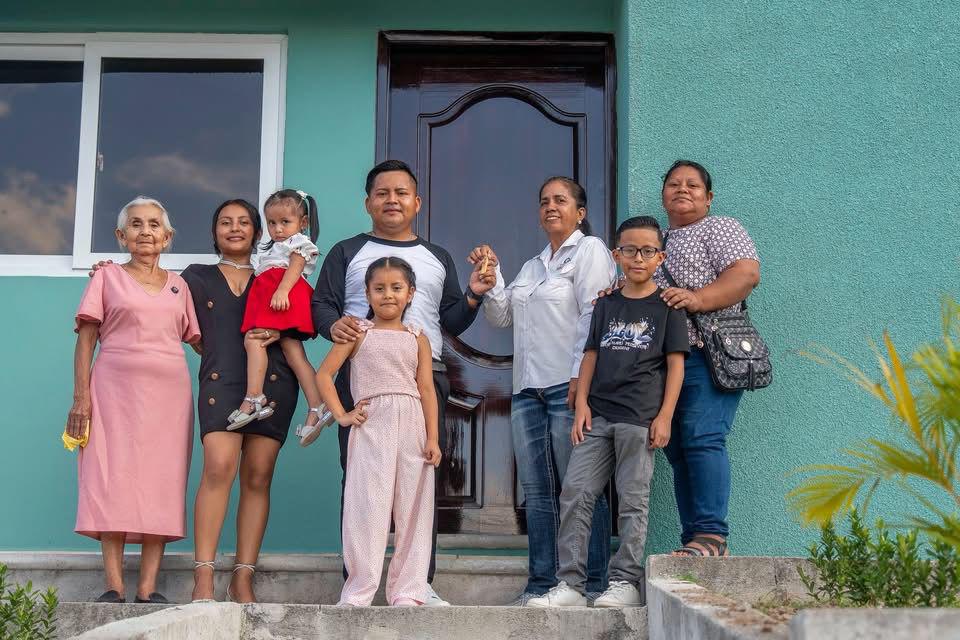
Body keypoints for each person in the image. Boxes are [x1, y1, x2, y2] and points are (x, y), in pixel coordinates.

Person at [311, 160, 495, 606]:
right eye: (382, 193)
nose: (392, 200)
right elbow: (322, 304)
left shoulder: (436, 257)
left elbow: (450, 319)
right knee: (360, 484)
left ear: (417, 202)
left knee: (418, 483)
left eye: (401, 193)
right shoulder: (346, 252)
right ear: (368, 202)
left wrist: (472, 294)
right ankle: (356, 582)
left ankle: (418, 584)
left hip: (423, 377)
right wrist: (333, 326)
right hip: (364, 379)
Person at [528, 216, 688, 609]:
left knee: (633, 501)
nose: (638, 257)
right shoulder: (606, 303)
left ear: (659, 257)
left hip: (641, 420)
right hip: (597, 417)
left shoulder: (667, 308)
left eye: (648, 250)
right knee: (576, 493)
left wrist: (665, 415)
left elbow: (676, 366)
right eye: (629, 249)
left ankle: (624, 582)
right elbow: (590, 355)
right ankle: (570, 585)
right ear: (617, 255)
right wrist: (582, 403)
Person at [467, 177, 613, 605]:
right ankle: (543, 584)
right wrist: (492, 278)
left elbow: (594, 316)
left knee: (580, 487)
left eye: (561, 200)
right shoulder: (533, 266)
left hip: (567, 387)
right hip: (526, 391)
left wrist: (578, 381)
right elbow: (501, 317)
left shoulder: (590, 252)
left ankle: (593, 583)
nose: (551, 206)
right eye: (544, 201)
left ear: (580, 212)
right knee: (537, 491)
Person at [67, 196, 200, 604]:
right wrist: (80, 399)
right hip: (112, 392)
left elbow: (201, 343)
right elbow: (86, 340)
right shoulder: (105, 278)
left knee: (163, 481)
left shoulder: (180, 285)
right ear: (120, 236)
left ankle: (147, 588)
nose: (146, 232)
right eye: (137, 225)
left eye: (154, 225)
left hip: (169, 398)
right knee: (110, 478)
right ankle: (114, 585)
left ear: (168, 236)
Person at [181, 199, 300, 603]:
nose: (235, 228)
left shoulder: (277, 272)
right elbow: (158, 300)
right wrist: (109, 271)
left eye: (244, 222)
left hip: (275, 380)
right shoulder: (195, 277)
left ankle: (243, 577)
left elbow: (303, 319)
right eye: (225, 222)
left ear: (257, 230)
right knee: (218, 467)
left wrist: (281, 332)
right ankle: (203, 576)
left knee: (258, 475)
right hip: (222, 380)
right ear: (214, 230)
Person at [316, 257, 442, 606]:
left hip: (412, 422)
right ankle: (358, 590)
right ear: (368, 294)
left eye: (396, 288)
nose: (388, 295)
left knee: (413, 507)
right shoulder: (358, 333)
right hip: (372, 424)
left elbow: (427, 390)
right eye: (379, 288)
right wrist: (342, 415)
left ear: (411, 293)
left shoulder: (418, 337)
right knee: (367, 505)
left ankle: (408, 591)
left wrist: (432, 437)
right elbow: (324, 375)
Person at [654, 160, 760, 557]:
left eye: (693, 185)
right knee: (678, 447)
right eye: (674, 184)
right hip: (667, 362)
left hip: (709, 353)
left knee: (703, 436)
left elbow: (746, 275)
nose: (682, 190)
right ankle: (693, 539)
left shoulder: (720, 228)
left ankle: (712, 536)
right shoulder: (656, 238)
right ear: (663, 193)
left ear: (708, 197)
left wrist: (697, 299)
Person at [233, 189, 331, 446]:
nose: (277, 229)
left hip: (283, 298)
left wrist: (282, 291)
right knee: (293, 353)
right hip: (276, 297)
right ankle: (317, 405)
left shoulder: (297, 242)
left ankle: (254, 397)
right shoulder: (275, 247)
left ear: (303, 223)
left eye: (285, 222)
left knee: (253, 342)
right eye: (272, 223)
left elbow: (297, 267)